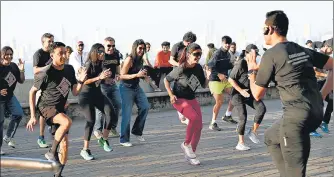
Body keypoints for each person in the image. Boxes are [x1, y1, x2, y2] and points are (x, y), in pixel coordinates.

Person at [247, 10, 333, 177]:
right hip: (315, 113)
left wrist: (251, 71)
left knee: (295, 172)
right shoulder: (300, 49)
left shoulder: (270, 55)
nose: (262, 33)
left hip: (295, 119)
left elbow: (257, 94)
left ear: (270, 29)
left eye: (263, 29)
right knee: (271, 137)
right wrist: (322, 95)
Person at [26, 42, 87, 177]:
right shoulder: (46, 72)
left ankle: (58, 174)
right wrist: (32, 116)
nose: (64, 56)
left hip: (59, 109)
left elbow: (75, 92)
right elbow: (32, 92)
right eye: (61, 53)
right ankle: (52, 152)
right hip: (46, 107)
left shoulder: (69, 69)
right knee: (67, 122)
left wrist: (81, 81)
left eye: (65, 53)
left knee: (64, 144)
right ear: (52, 55)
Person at [164, 43, 207, 165]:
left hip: (191, 99)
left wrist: (208, 75)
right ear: (188, 54)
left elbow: (204, 85)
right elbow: (166, 80)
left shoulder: (198, 68)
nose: (198, 56)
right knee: (193, 118)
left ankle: (191, 155)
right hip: (179, 99)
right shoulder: (181, 68)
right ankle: (185, 144)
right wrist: (171, 95)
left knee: (199, 127)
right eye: (195, 54)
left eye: (200, 54)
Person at [228, 45, 266, 151]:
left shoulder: (253, 65)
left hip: (249, 94)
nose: (255, 57)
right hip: (237, 94)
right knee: (243, 117)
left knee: (261, 108)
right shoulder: (241, 63)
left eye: (256, 56)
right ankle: (240, 143)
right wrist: (241, 91)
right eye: (253, 55)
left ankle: (253, 131)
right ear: (247, 53)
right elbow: (231, 79)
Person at [78, 43, 113, 160]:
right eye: (100, 52)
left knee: (110, 112)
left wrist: (108, 76)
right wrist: (99, 77)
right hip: (86, 96)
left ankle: (104, 139)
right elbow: (85, 81)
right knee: (91, 121)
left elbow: (104, 76)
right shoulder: (88, 64)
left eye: (103, 51)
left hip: (97, 94)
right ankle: (85, 150)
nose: (103, 54)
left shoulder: (102, 63)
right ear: (94, 53)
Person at [119, 39, 150, 147]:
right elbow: (121, 76)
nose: (142, 50)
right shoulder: (129, 59)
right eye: (140, 48)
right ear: (135, 48)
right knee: (126, 115)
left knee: (145, 106)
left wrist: (144, 77)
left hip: (136, 87)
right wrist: (136, 75)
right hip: (126, 88)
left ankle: (137, 131)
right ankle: (124, 139)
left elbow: (138, 73)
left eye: (143, 48)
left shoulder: (140, 59)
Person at [206, 36, 238, 131]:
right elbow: (209, 67)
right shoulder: (217, 53)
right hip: (215, 80)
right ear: (222, 43)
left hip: (224, 80)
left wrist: (234, 64)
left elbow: (226, 65)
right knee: (219, 102)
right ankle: (213, 123)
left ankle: (227, 115)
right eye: (226, 43)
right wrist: (219, 74)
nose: (227, 45)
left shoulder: (228, 54)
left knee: (235, 95)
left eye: (229, 43)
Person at [93, 37, 122, 139]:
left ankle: (112, 128)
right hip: (102, 85)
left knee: (118, 104)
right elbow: (95, 71)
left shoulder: (116, 54)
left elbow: (118, 68)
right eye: (108, 46)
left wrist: (118, 74)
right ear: (104, 46)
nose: (111, 48)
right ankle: (98, 130)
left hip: (113, 85)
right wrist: (103, 79)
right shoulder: (100, 56)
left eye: (113, 45)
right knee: (101, 109)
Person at [0, 46, 25, 154]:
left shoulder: (14, 66)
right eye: (7, 54)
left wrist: (22, 70)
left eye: (11, 54)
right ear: (1, 55)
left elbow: (21, 80)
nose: (9, 56)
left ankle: (8, 136)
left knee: (19, 113)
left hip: (10, 97)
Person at [169, 31, 197, 125]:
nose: (189, 45)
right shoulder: (176, 46)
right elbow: (171, 60)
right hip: (178, 72)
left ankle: (187, 114)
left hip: (189, 74)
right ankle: (182, 116)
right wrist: (180, 66)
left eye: (191, 43)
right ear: (184, 40)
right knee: (177, 94)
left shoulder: (192, 48)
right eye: (188, 43)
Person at [33, 33, 54, 148]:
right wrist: (48, 67)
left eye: (52, 41)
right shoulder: (38, 54)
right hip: (41, 85)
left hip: (52, 86)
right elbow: (35, 70)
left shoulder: (53, 52)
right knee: (42, 113)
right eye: (49, 41)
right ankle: (41, 137)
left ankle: (54, 132)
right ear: (43, 42)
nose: (51, 43)